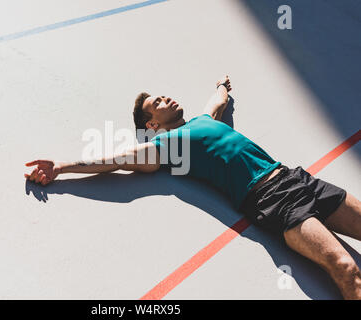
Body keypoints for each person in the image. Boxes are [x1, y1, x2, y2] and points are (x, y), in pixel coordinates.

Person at [24, 76, 361, 299]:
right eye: (157, 102)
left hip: (295, 178)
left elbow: (216, 102)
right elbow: (119, 160)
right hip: (272, 200)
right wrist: (62, 168)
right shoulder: (170, 145)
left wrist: (222, 86)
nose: (166, 97)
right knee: (345, 268)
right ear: (152, 124)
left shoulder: (203, 121)